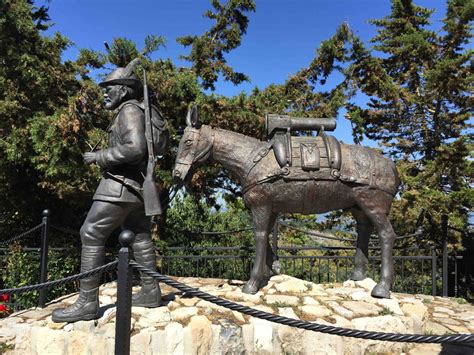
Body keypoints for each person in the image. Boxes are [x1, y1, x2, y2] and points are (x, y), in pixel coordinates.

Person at [52, 59, 163, 323]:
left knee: (90, 232)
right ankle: (150, 292)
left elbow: (135, 148)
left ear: (123, 90)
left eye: (109, 87)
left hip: (118, 186)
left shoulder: (128, 111)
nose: (104, 92)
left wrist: (100, 156)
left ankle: (87, 303)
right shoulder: (136, 109)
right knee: (139, 236)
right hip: (135, 187)